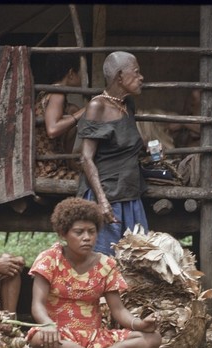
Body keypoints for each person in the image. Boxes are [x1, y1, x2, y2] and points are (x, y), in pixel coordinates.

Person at [26, 197, 161, 348]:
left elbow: (119, 311)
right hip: (59, 335)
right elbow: (37, 304)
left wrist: (139, 324)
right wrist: (47, 325)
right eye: (79, 232)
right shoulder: (50, 258)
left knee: (153, 338)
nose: (87, 238)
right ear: (63, 233)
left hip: (95, 338)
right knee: (38, 340)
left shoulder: (106, 264)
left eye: (91, 231)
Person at [76, 51, 148, 256]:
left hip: (130, 195)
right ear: (119, 77)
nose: (141, 78)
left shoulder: (128, 105)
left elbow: (124, 141)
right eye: (136, 72)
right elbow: (86, 157)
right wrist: (102, 201)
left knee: (136, 261)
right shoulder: (97, 106)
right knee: (105, 261)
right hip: (108, 196)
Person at [35, 52, 86, 180]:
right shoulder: (58, 93)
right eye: (80, 72)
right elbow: (52, 130)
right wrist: (85, 110)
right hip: (47, 169)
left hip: (48, 166)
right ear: (70, 73)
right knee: (92, 182)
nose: (82, 76)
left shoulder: (45, 92)